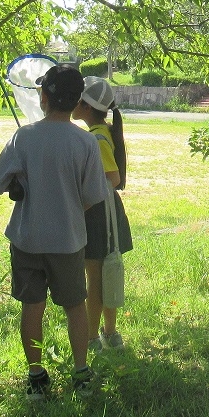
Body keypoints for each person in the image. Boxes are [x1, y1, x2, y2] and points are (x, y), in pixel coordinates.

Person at [0, 65, 107, 396]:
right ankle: (81, 372)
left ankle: (37, 377)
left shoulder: (24, 137)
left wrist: (18, 181)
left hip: (27, 239)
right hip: (68, 240)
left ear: (44, 97)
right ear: (75, 99)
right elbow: (92, 196)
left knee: (32, 307)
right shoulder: (85, 142)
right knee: (75, 306)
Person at [73, 76, 133, 352]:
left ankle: (93, 338)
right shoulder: (103, 131)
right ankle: (110, 333)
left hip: (99, 213)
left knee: (96, 277)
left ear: (85, 105)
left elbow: (112, 177)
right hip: (108, 211)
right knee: (108, 272)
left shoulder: (95, 138)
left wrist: (80, 207)